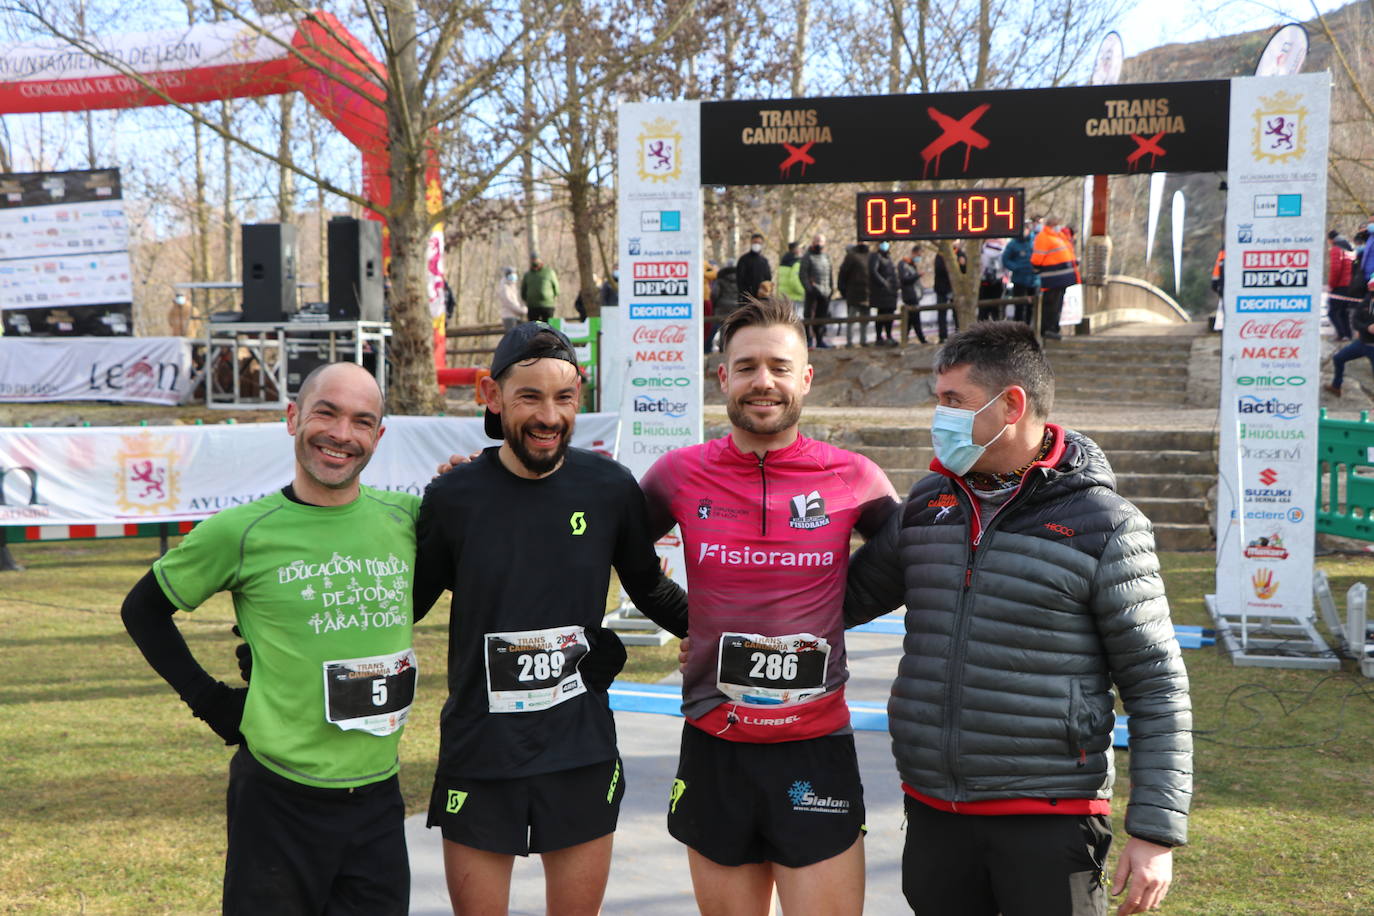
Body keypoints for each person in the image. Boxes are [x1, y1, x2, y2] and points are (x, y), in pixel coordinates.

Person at [843, 320, 1192, 916]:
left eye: (954, 401)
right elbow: (836, 601)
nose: (940, 416)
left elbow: (1155, 682)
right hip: (934, 810)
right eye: (939, 401)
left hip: (1050, 818)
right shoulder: (928, 505)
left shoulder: (1105, 524)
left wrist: (1155, 833)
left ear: (1012, 404)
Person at [122, 362, 418, 915]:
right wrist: (210, 701)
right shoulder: (242, 531)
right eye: (325, 413)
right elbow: (143, 609)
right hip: (280, 800)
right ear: (293, 418)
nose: (340, 434)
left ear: (378, 436)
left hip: (378, 799)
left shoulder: (407, 520)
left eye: (361, 421)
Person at [415, 322, 689, 916]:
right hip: (481, 750)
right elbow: (401, 609)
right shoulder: (454, 497)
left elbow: (651, 589)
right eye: (529, 397)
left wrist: (721, 637)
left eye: (563, 398)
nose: (549, 416)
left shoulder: (609, 487)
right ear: (491, 395)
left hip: (578, 749)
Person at [640, 295, 899, 916]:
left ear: (806, 378)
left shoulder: (853, 475)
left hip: (815, 746)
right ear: (722, 376)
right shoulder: (677, 474)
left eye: (780, 367)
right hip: (714, 747)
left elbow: (910, 558)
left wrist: (831, 614)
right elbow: (615, 554)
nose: (764, 382)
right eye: (748, 366)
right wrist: (693, 622)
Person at [1031, 217, 1079, 340]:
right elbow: (1038, 257)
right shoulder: (1044, 237)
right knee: (1051, 304)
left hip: (1060, 277)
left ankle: (1053, 328)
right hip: (1053, 277)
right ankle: (1048, 329)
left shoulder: (1056, 236)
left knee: (1056, 304)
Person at [1327, 299, 1374, 398]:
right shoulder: (1366, 304)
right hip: (1362, 343)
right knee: (1338, 358)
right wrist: (1366, 327)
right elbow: (1355, 322)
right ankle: (1336, 386)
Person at [798, 234, 834, 349]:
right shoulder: (807, 257)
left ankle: (820, 340)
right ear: (813, 242)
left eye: (821, 241)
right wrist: (809, 289)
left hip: (825, 293)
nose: (819, 243)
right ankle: (808, 340)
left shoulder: (826, 257)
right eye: (817, 241)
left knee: (822, 317)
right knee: (809, 316)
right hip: (812, 293)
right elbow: (802, 275)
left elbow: (830, 275)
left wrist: (830, 289)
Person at [1001, 223, 1038, 325]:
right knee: (1019, 306)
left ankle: (1030, 327)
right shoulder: (1013, 244)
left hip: (1033, 279)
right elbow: (1005, 259)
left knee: (1032, 306)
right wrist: (1015, 267)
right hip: (1019, 279)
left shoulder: (1034, 241)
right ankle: (1018, 327)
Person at [837, 241, 872, 347]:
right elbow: (843, 274)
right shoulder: (851, 257)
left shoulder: (870, 257)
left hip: (868, 294)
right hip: (853, 294)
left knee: (865, 319)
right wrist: (843, 291)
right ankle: (849, 341)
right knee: (851, 318)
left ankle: (863, 340)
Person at [868, 240, 900, 346]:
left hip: (891, 292)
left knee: (890, 314)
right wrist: (884, 282)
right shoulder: (875, 257)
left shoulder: (889, 258)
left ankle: (889, 335)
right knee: (881, 314)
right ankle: (879, 337)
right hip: (881, 292)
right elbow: (873, 271)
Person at [931, 243, 963, 343]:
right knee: (942, 312)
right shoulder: (940, 255)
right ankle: (943, 336)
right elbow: (940, 269)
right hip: (942, 288)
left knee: (957, 313)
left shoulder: (960, 254)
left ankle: (959, 334)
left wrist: (962, 264)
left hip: (955, 289)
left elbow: (965, 269)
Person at [1328, 231, 1357, 341]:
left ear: (1331, 240)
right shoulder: (1349, 248)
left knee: (1333, 312)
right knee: (1343, 311)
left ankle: (1341, 334)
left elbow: (1335, 269)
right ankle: (1348, 335)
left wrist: (1332, 285)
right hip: (1350, 285)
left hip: (1340, 285)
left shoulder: (1336, 249)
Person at [898, 245, 928, 344]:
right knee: (915, 319)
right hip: (910, 296)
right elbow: (905, 279)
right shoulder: (903, 264)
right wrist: (917, 275)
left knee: (910, 320)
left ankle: (905, 339)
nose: (919, 257)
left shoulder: (912, 265)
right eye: (919, 254)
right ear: (914, 253)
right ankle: (921, 339)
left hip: (915, 295)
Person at [709, 259, 740, 354]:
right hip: (736, 307)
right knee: (735, 328)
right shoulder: (741, 280)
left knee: (723, 328)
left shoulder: (720, 280)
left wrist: (714, 306)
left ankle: (723, 348)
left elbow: (714, 294)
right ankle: (734, 348)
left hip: (722, 308)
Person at [520, 252, 559, 323]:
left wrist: (551, 298)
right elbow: (523, 291)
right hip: (533, 306)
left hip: (547, 305)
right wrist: (528, 300)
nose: (534, 261)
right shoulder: (528, 275)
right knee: (534, 328)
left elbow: (556, 288)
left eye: (536, 259)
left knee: (547, 327)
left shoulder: (549, 272)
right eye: (533, 259)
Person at [977, 237, 1009, 322]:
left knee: (983, 310)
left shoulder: (982, 250)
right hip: (998, 281)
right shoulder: (1003, 249)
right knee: (997, 310)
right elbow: (1006, 268)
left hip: (984, 282)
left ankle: (982, 329)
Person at [736, 232, 773, 304]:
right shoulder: (744, 259)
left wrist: (766, 291)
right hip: (747, 298)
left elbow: (768, 278)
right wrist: (744, 295)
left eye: (759, 243)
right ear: (751, 242)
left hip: (762, 298)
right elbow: (739, 279)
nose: (757, 244)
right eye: (755, 242)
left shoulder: (764, 261)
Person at [777, 240, 806, 320]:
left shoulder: (784, 261)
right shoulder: (796, 263)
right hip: (795, 299)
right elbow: (794, 283)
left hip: (783, 298)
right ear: (796, 249)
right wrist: (804, 292)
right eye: (801, 248)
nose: (803, 250)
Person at [497, 266, 525, 332]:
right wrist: (521, 310)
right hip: (509, 316)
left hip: (515, 316)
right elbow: (509, 303)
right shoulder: (504, 287)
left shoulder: (512, 286)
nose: (514, 276)